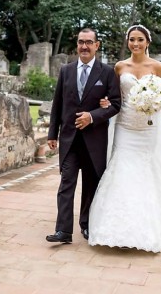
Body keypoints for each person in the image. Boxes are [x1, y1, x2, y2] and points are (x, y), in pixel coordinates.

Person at [88, 24, 161, 252]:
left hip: (149, 128)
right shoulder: (119, 67)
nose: (135, 44)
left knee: (150, 171)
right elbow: (112, 96)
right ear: (127, 42)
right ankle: (118, 227)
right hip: (125, 127)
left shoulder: (158, 67)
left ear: (147, 42)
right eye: (132, 39)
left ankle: (152, 226)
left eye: (140, 39)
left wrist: (154, 103)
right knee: (122, 169)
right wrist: (105, 103)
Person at [46, 27, 121, 244]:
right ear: (77, 44)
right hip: (69, 140)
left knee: (90, 185)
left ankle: (86, 225)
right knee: (66, 183)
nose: (84, 46)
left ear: (97, 45)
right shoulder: (65, 70)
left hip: (94, 141)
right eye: (81, 42)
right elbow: (57, 104)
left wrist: (93, 116)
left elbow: (115, 104)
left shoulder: (107, 73)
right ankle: (63, 231)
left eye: (89, 42)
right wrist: (53, 133)